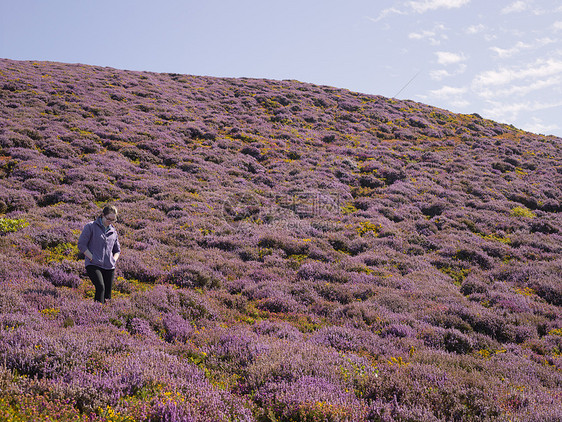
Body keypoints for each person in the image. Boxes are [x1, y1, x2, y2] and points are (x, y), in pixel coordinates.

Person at [78, 205, 121, 304]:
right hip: (93, 264)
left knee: (107, 295)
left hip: (109, 266)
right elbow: (81, 245)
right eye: (108, 218)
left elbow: (117, 250)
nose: (110, 221)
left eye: (113, 220)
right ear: (102, 215)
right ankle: (97, 314)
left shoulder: (113, 231)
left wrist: (113, 260)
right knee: (100, 287)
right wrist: (92, 257)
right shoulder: (91, 226)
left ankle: (105, 316)